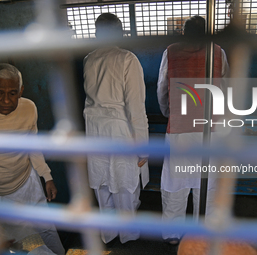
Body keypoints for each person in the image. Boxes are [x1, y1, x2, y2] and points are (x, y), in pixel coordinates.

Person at [157, 15, 229, 244]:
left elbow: (162, 87)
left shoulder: (171, 51)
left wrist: (170, 113)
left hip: (179, 128)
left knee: (175, 182)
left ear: (184, 33)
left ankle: (172, 234)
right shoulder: (218, 52)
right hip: (210, 128)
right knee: (206, 181)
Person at [0, 63, 65, 254]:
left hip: (27, 184)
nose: (6, 101)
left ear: (21, 91)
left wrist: (47, 176)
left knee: (45, 229)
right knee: (22, 244)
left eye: (12, 93)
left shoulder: (29, 108)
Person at [83, 13, 149, 244]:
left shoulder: (89, 59)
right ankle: (128, 234)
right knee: (125, 183)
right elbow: (136, 107)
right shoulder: (127, 59)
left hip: (94, 126)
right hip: (120, 127)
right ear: (120, 33)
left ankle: (108, 233)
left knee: (102, 183)